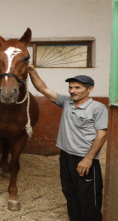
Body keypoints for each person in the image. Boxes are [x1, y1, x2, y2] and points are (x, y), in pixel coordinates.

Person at [27, 64, 108, 221]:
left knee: (88, 199)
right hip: (66, 156)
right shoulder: (66, 102)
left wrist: (88, 158)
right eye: (70, 87)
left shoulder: (98, 108)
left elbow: (102, 135)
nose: (72, 91)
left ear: (89, 89)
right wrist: (32, 72)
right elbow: (43, 89)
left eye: (77, 88)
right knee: (70, 193)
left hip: (85, 158)